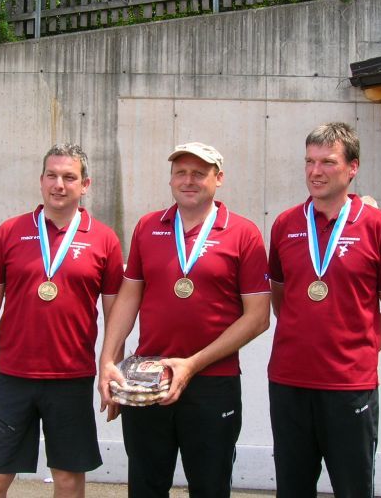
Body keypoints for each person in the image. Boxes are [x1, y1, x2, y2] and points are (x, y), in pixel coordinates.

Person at [98, 142, 271, 498]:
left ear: (218, 178)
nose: (188, 180)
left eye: (199, 173)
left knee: (210, 488)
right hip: (148, 379)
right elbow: (128, 297)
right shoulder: (148, 226)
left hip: (213, 384)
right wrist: (108, 362)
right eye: (180, 172)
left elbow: (258, 317)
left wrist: (191, 365)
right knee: (145, 488)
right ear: (171, 178)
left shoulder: (244, 232)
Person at [0, 143, 123, 498]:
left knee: (67, 481)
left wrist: (112, 369)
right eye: (52, 175)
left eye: (69, 177)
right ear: (41, 180)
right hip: (14, 377)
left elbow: (117, 314)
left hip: (72, 378)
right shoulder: (11, 231)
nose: (59, 184)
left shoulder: (104, 239)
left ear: (85, 184)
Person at [267, 122, 381, 497]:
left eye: (328, 162)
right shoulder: (285, 224)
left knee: (353, 488)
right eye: (309, 161)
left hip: (350, 386)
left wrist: (358, 351)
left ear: (352, 167)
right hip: (289, 381)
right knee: (292, 489)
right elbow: (281, 299)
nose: (315, 171)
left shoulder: (380, 227)